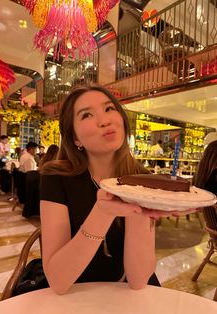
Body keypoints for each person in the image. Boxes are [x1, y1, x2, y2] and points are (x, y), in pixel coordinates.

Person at [40, 84, 195, 295]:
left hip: (125, 295)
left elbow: (139, 280)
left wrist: (139, 209)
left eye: (109, 109)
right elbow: (58, 281)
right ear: (75, 138)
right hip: (74, 294)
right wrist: (103, 212)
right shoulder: (56, 178)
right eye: (86, 115)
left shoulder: (142, 179)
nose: (105, 121)